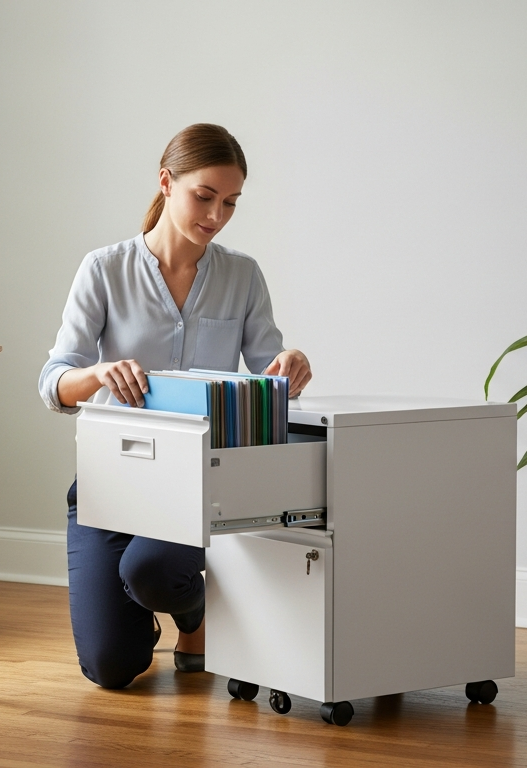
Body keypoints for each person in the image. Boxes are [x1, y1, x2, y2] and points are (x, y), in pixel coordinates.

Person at [38, 123, 312, 689]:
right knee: (111, 669)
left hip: (198, 485)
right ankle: (163, 612)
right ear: (167, 183)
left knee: (152, 572)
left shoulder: (242, 275)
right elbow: (54, 382)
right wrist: (96, 374)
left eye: (230, 202)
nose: (215, 215)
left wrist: (290, 364)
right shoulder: (104, 269)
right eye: (204, 196)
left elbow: (268, 372)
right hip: (111, 483)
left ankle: (193, 614)